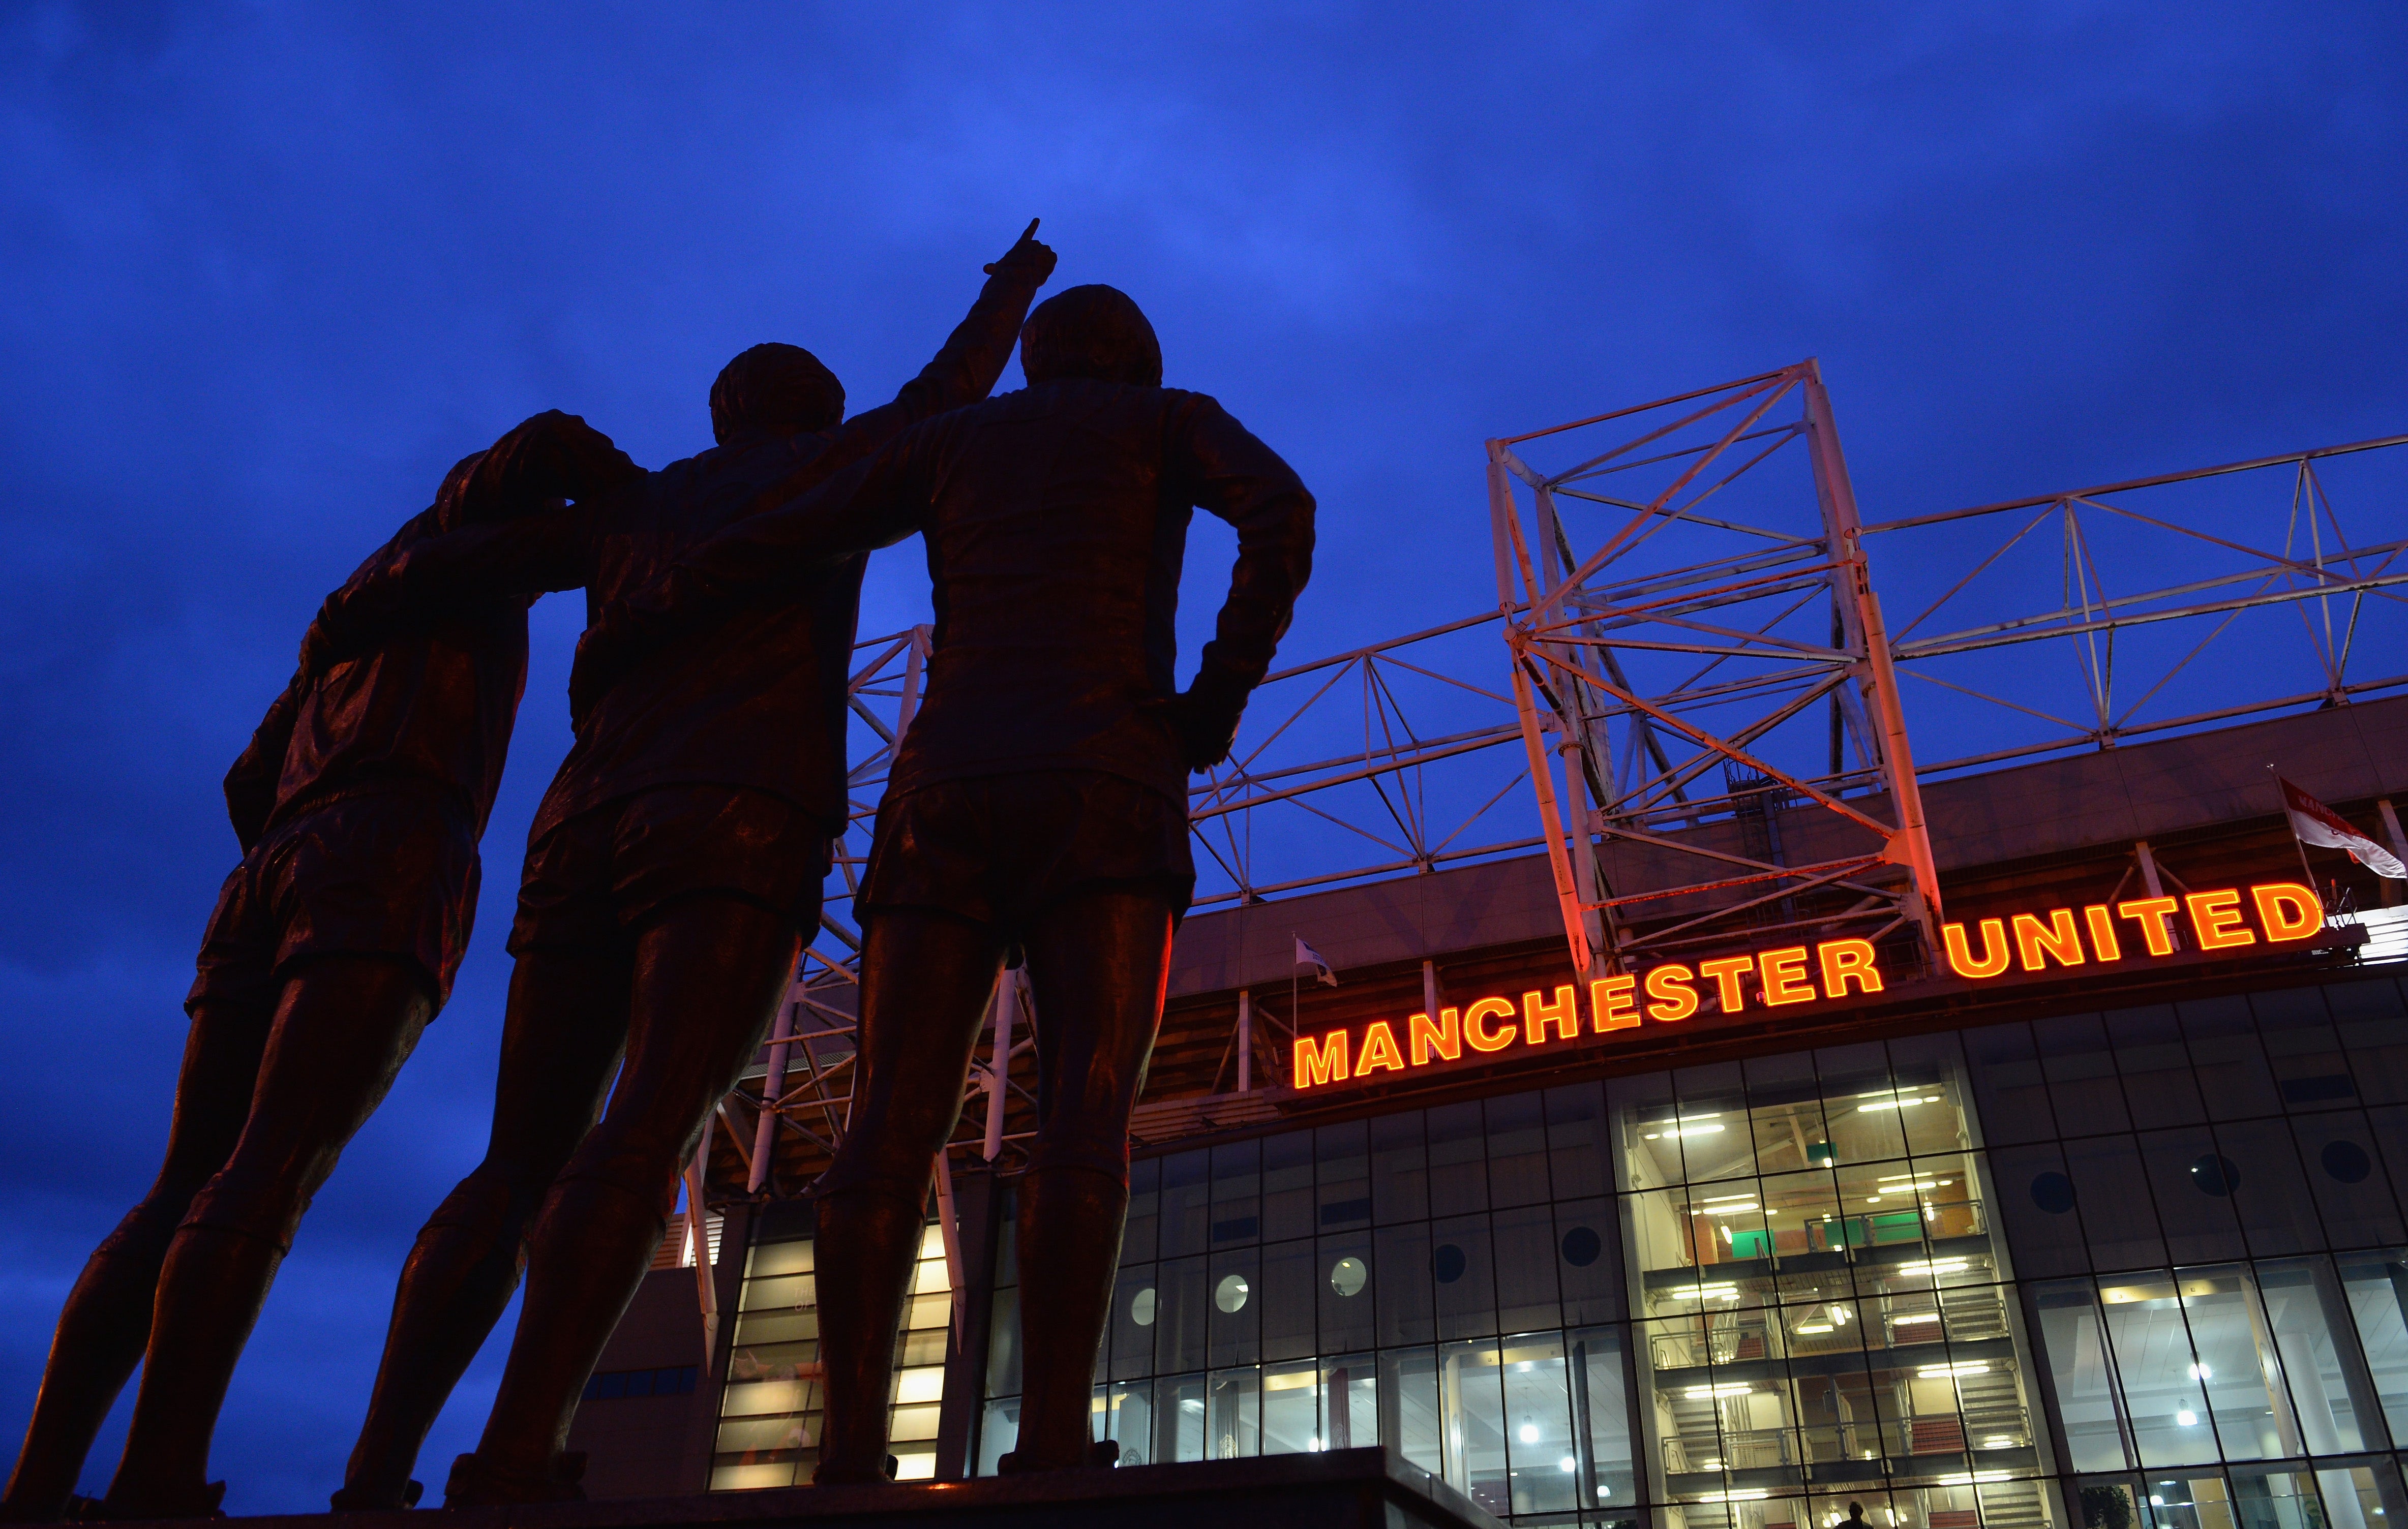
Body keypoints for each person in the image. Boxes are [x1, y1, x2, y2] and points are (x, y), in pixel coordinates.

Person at [312, 222, 1057, 1508]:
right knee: (647, 1118)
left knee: (513, 1156)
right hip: (736, 815)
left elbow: (431, 568)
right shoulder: (831, 474)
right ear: (816, 415)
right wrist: (1013, 289)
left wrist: (363, 615)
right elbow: (946, 399)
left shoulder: (631, 509)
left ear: (719, 415)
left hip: (580, 823)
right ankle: (518, 1448)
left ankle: (375, 1469)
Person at [581, 282, 1315, 1480]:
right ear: (1136, 359)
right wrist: (1214, 698)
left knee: (884, 1122)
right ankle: (1055, 1438)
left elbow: (790, 525)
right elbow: (1282, 509)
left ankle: (853, 1455)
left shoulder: (951, 441)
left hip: (940, 793)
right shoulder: (1168, 421)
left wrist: (652, 600)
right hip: (1107, 779)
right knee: (1084, 1109)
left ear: (1032, 360)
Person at [0, 416, 637, 1522]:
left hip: (274, 862)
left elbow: (248, 778)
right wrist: (645, 492)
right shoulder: (475, 556)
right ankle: (160, 1474)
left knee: (184, 1178)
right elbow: (605, 531)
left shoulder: (341, 615)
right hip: (388, 848)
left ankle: (42, 1480)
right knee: (269, 1171)